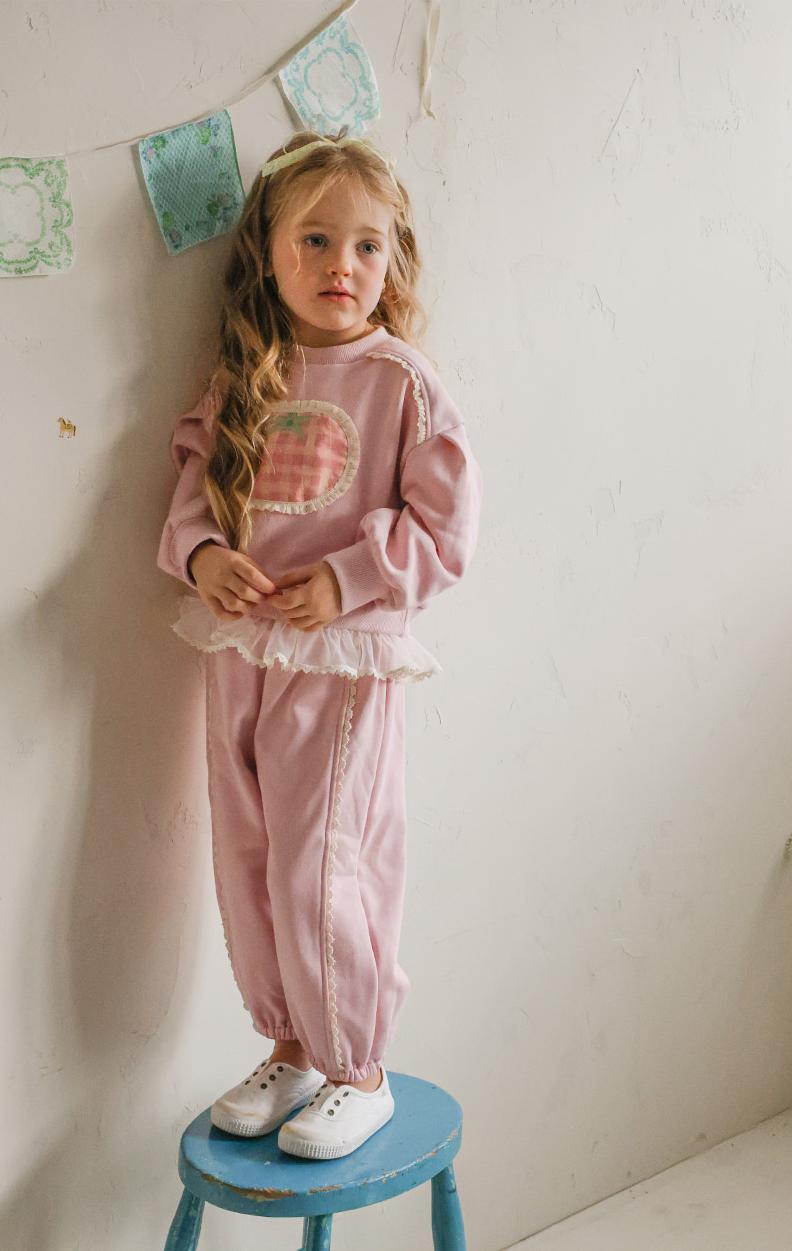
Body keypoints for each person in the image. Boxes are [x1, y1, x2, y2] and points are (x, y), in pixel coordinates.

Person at [155, 128, 482, 1160]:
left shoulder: (401, 382)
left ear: (393, 261)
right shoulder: (244, 376)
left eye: (367, 246)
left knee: (321, 861)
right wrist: (204, 556)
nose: (344, 264)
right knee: (248, 852)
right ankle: (292, 1043)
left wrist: (348, 577)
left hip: (339, 662)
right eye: (316, 239)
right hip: (241, 651)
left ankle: (358, 1066)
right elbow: (194, 494)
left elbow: (446, 530)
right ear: (270, 252)